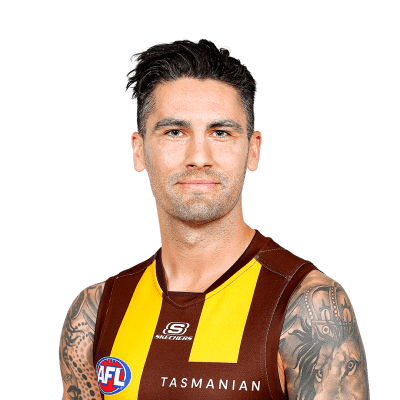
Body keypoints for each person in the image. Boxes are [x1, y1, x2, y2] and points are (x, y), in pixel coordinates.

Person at [58, 38, 370, 400]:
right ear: (139, 149)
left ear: (253, 150)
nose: (199, 157)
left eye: (220, 133)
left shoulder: (309, 305)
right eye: (175, 132)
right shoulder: (95, 311)